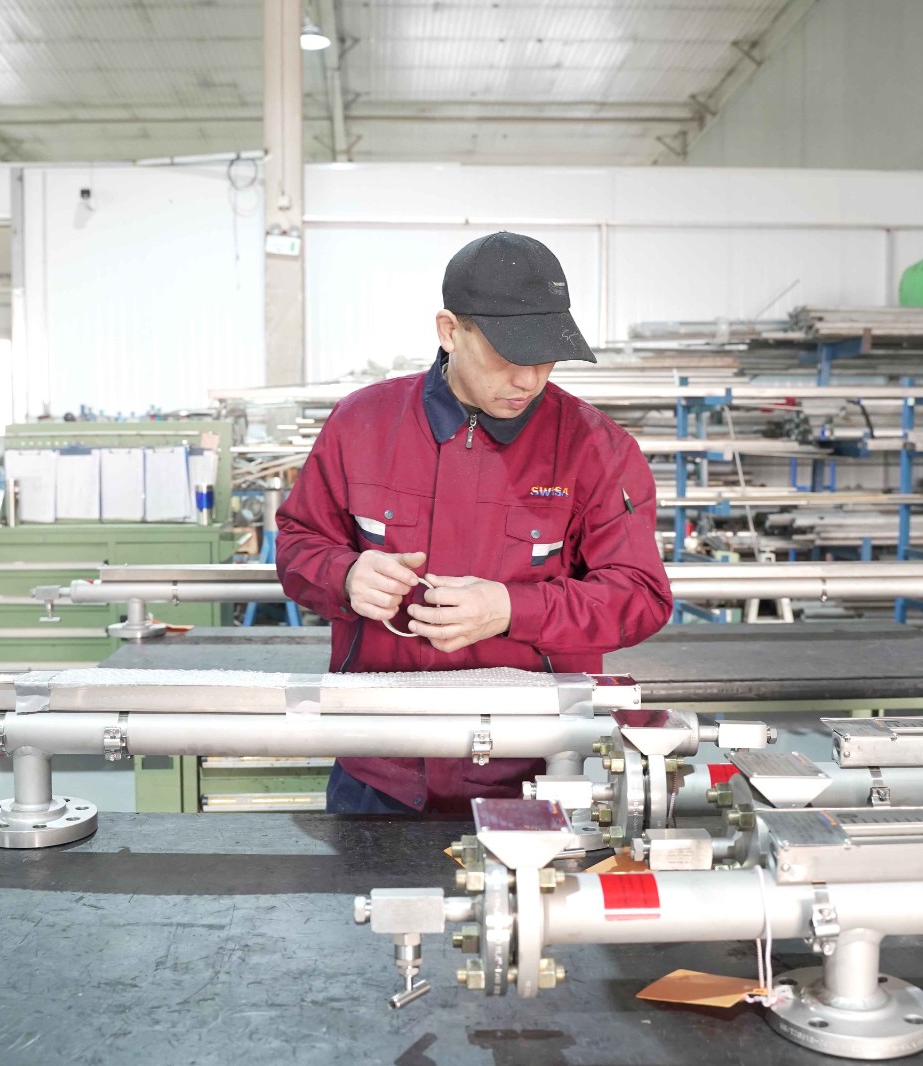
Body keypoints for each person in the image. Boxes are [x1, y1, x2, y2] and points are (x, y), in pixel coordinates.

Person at [276, 231, 673, 813]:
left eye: (545, 358)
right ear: (449, 331)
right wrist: (344, 575)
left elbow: (639, 596)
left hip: (537, 770)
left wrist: (511, 608)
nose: (528, 380)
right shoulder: (361, 425)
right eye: (507, 358)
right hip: (379, 768)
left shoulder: (597, 450)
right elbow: (297, 546)